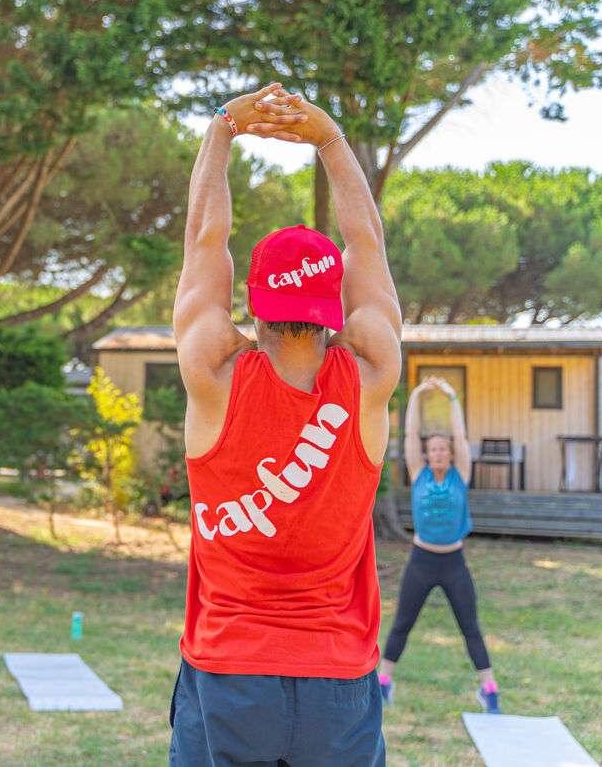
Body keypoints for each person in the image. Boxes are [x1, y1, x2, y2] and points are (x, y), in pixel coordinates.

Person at [169, 84, 402, 766]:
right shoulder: (369, 378)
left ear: (256, 303)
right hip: (339, 681)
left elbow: (202, 236)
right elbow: (366, 241)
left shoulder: (212, 374)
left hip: (228, 671)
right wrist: (330, 139)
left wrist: (223, 129)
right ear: (334, 304)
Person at [379, 376, 502, 714]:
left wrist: (451, 399)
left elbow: (460, 435)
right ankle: (384, 684)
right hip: (420, 561)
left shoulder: (459, 475)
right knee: (402, 623)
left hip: (453, 563)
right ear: (426, 454)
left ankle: (489, 691)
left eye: (442, 449)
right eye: (432, 448)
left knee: (470, 628)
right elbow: (409, 435)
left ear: (449, 454)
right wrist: (417, 394)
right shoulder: (417, 472)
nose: (437, 453)